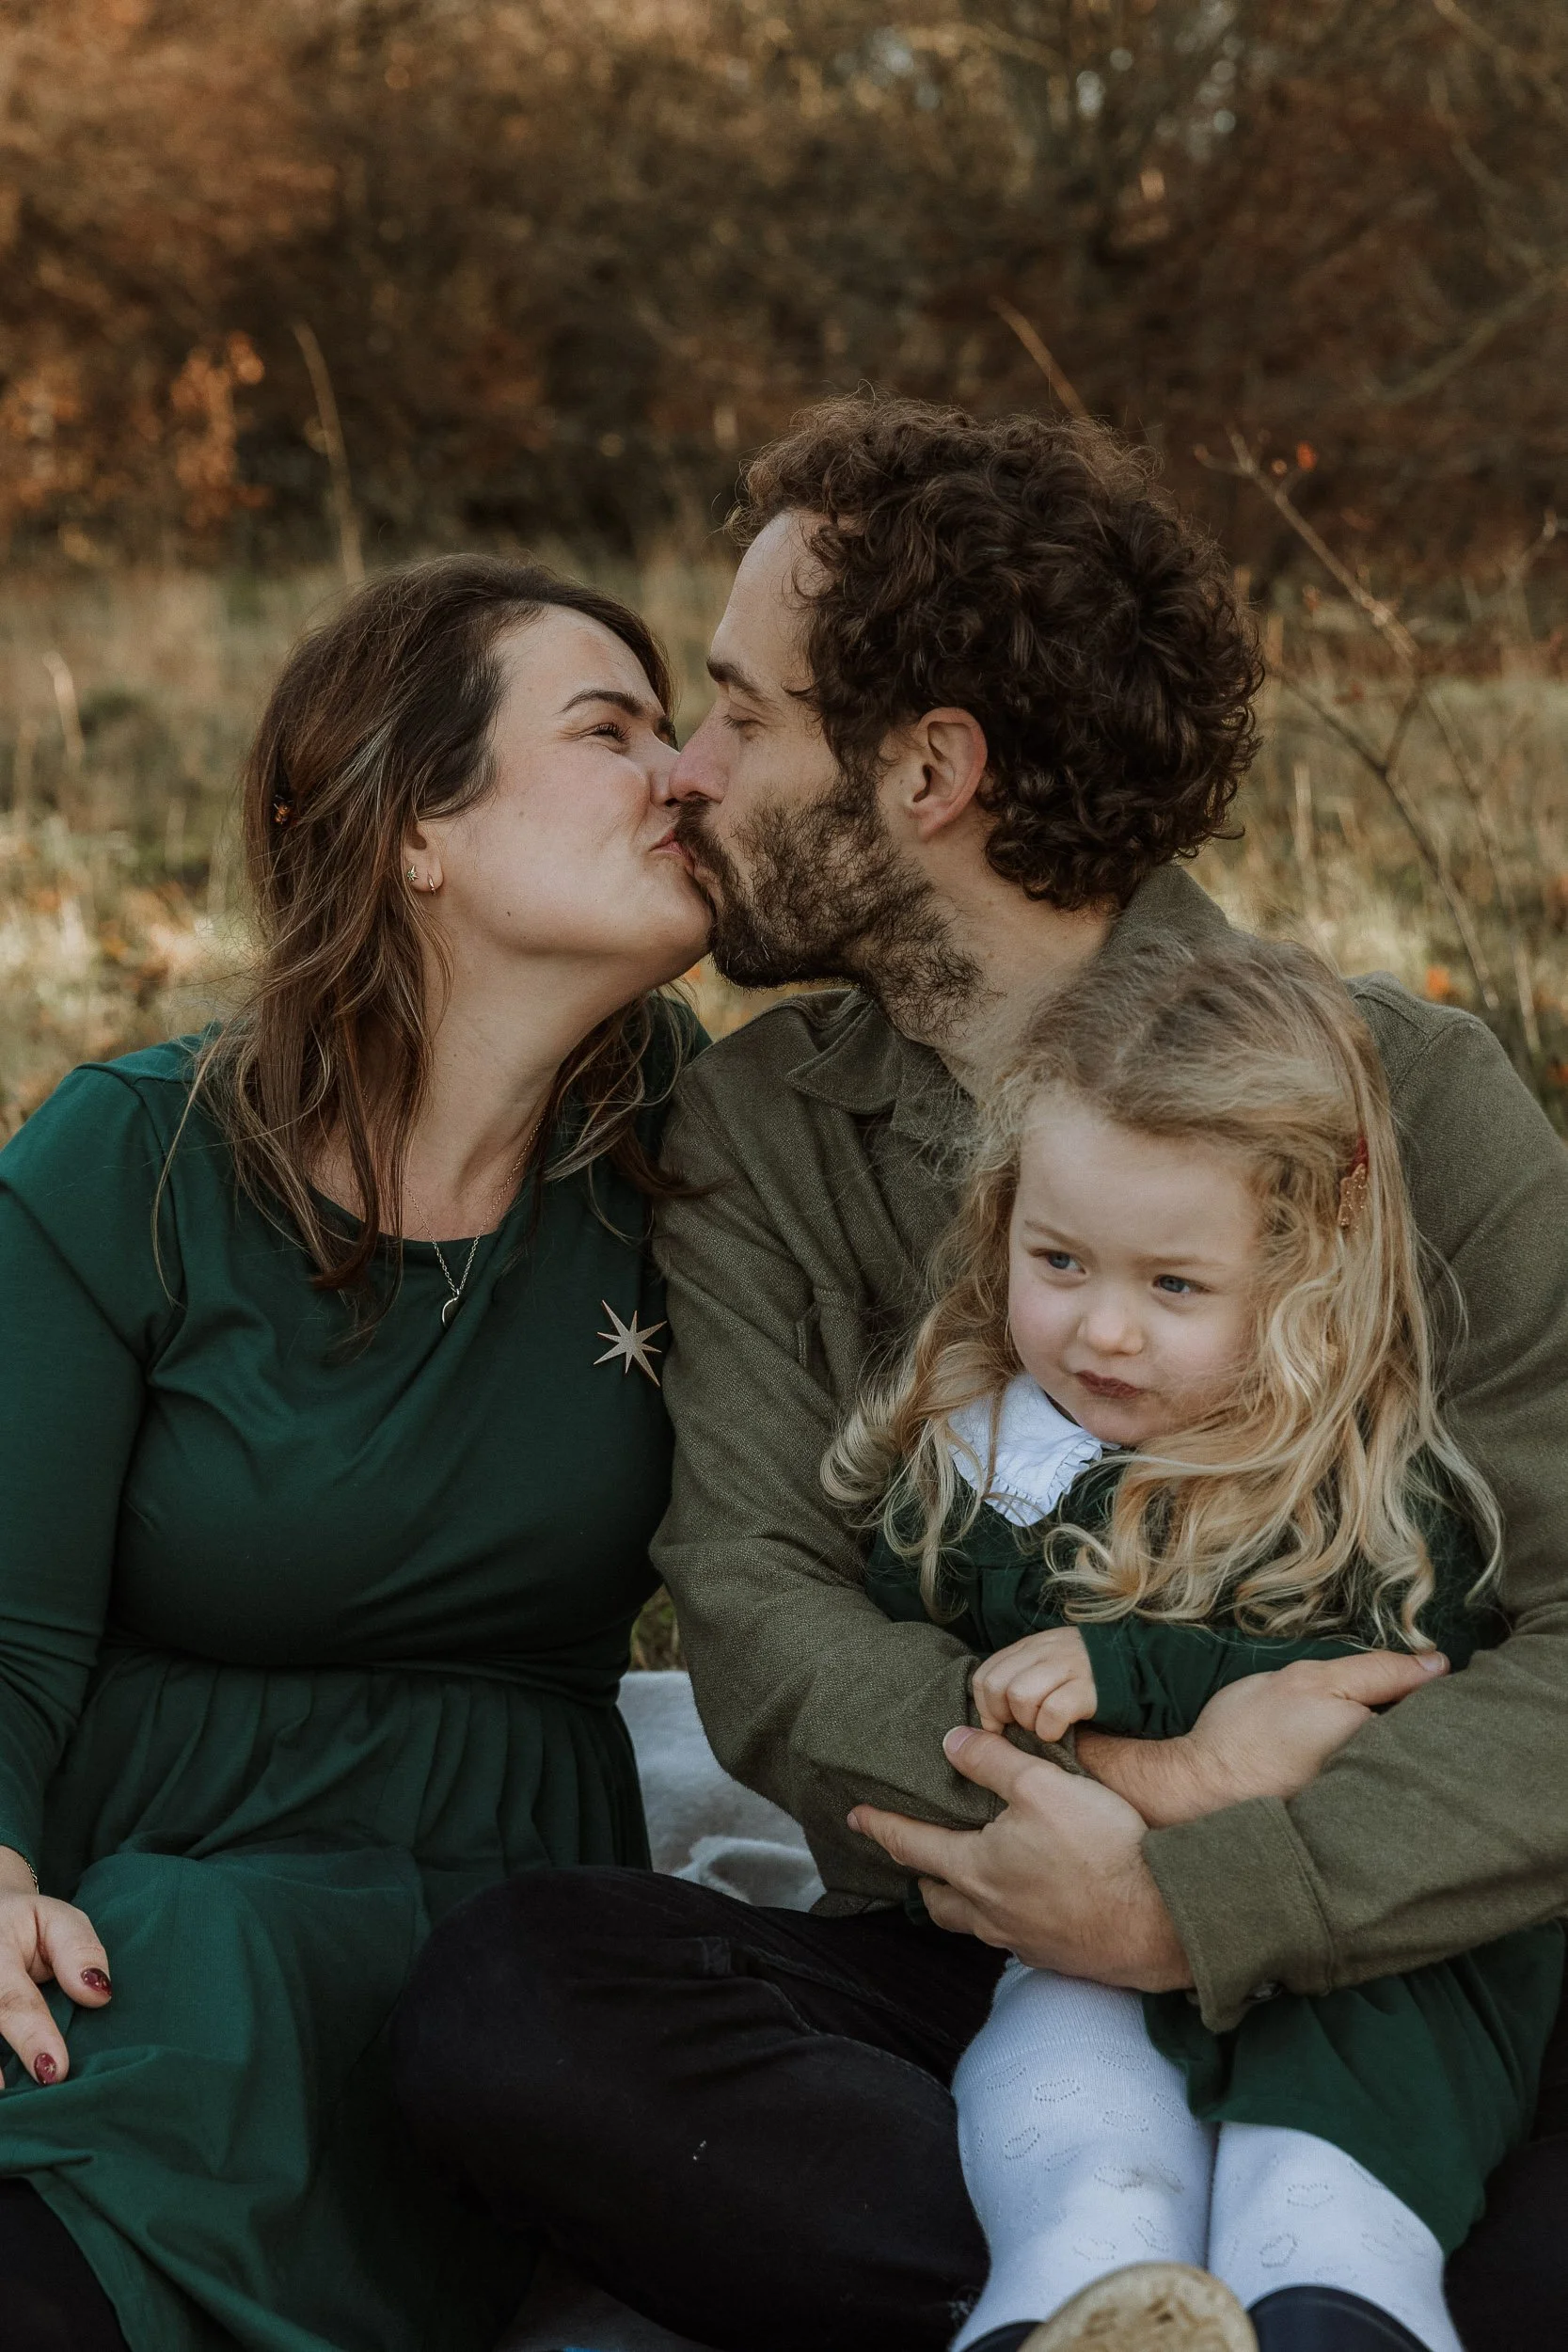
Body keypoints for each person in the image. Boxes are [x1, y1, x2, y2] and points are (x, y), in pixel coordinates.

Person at [394, 401, 1568, 2352]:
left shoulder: (1396, 1092)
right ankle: (1123, 2300)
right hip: (998, 1924)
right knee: (510, 1998)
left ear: (927, 767)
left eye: (740, 715)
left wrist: (1227, 1889)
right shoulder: (763, 1127)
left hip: (1409, 1939)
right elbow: (759, 1612)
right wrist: (1119, 1821)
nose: (686, 773)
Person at [0, 555, 708, 2352]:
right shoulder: (137, 1156)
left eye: (683, 730)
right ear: (417, 829)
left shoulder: (712, 1158)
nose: (683, 774)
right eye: (610, 730)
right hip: (159, 1863)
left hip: (502, 1904)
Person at [835, 930, 1562, 2352]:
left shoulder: (1362, 1473)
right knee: (1060, 2083)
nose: (1101, 1330)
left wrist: (1129, 1678)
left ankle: (1331, 2313)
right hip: (1088, 1935)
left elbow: (1383, 1688)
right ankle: (1072, 2304)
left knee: (1328, 2159)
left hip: (1376, 1954)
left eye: (1173, 1287)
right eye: (1058, 1261)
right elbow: (900, 1634)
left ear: (1297, 1267)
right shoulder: (995, 1453)